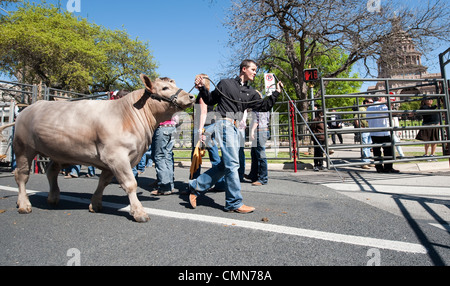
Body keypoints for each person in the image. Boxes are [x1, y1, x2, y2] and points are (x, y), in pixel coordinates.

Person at [189, 59, 283, 213]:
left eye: (256, 70)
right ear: (244, 69)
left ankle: (196, 185)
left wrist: (277, 92)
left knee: (227, 164)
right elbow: (210, 100)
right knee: (233, 163)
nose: (255, 72)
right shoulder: (225, 83)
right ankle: (233, 202)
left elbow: (264, 106)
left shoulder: (251, 93)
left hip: (235, 127)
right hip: (223, 123)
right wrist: (201, 89)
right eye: (253, 69)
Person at [366, 96, 400, 173]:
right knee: (388, 151)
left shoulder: (369, 108)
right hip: (384, 132)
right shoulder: (383, 106)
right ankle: (388, 167)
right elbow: (390, 115)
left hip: (374, 132)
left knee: (376, 151)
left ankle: (379, 168)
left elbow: (367, 120)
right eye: (384, 98)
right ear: (381, 98)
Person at [150, 116, 178, 196]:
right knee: (168, 157)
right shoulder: (175, 104)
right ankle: (170, 185)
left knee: (159, 157)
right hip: (173, 127)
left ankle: (164, 187)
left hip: (163, 127)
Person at [247, 107, 270, 185]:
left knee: (260, 156)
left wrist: (252, 131)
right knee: (254, 154)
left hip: (259, 131)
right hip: (263, 131)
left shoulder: (257, 108)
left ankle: (263, 178)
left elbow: (256, 120)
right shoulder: (265, 106)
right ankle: (253, 175)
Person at [354, 99, 374, 169]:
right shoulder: (361, 109)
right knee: (365, 146)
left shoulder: (370, 109)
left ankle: (368, 161)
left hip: (370, 128)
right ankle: (364, 162)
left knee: (369, 146)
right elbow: (356, 118)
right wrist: (359, 127)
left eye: (372, 102)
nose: (372, 103)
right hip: (364, 129)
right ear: (366, 102)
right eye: (370, 102)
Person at [310, 107, 326, 171]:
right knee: (317, 150)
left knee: (321, 151)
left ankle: (321, 164)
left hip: (323, 137)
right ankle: (316, 164)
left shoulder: (324, 119)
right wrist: (316, 135)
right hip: (318, 137)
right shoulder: (316, 120)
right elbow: (312, 128)